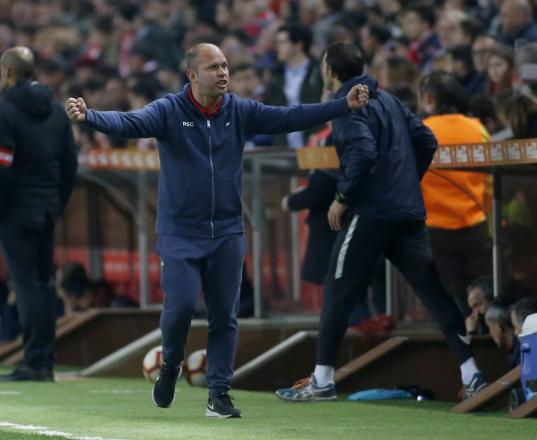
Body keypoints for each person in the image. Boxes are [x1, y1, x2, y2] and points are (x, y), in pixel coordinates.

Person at [65, 43, 369, 418]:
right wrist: (90, 116)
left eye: (225, 65)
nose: (223, 72)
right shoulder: (168, 111)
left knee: (225, 316)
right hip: (179, 233)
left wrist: (343, 105)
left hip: (227, 231)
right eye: (213, 67)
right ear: (192, 75)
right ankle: (171, 363)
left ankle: (219, 393)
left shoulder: (239, 110)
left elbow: (290, 116)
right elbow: (129, 122)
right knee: (179, 309)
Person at [275, 42, 487, 403]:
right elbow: (425, 139)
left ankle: (322, 381)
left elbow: (362, 152)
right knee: (433, 291)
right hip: (406, 211)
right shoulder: (388, 99)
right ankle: (472, 373)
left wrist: (342, 198)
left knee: (338, 289)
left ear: (330, 71)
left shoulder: (347, 103)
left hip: (372, 211)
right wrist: (406, 182)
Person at [0, 46, 78, 381]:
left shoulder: (4, 110)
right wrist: (56, 203)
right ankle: (44, 360)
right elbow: (70, 163)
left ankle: (34, 362)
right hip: (46, 208)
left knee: (27, 285)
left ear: (7, 73)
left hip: (15, 210)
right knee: (44, 284)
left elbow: (2, 165)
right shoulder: (57, 110)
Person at [417, 71, 492, 316]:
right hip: (475, 228)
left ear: (429, 99)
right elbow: (491, 180)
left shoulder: (419, 131)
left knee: (446, 300)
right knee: (481, 296)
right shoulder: (477, 129)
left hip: (434, 230)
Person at [485, 298, 519, 368]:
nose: (490, 333)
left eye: (490, 328)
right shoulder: (512, 350)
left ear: (499, 327)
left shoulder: (521, 349)